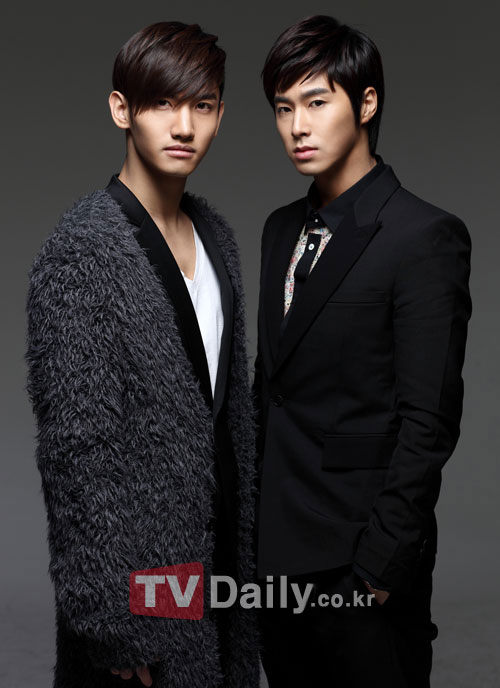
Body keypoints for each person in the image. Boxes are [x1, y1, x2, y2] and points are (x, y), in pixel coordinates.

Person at [25, 21, 259, 688]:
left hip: (219, 562)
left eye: (203, 105)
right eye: (162, 103)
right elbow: (77, 455)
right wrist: (112, 620)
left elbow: (229, 416)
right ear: (121, 109)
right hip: (138, 586)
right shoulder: (81, 254)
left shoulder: (216, 238)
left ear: (220, 114)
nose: (184, 126)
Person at [253, 14, 472, 688]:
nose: (298, 126)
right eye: (283, 108)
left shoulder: (422, 237)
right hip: (274, 565)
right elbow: (273, 391)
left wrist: (379, 567)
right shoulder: (279, 229)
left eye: (317, 102)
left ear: (367, 102)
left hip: (361, 565)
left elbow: (428, 421)